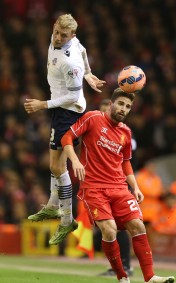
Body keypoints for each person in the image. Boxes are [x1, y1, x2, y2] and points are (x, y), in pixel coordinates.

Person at [61, 87, 175, 283]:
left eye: (128, 106)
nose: (124, 108)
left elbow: (125, 163)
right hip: (94, 187)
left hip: (119, 188)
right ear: (111, 104)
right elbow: (66, 138)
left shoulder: (126, 132)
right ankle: (122, 277)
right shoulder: (93, 118)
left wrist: (135, 187)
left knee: (138, 226)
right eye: (121, 104)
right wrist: (75, 161)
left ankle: (149, 278)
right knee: (110, 229)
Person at [24, 14, 105, 245]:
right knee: (55, 165)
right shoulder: (62, 39)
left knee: (57, 167)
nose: (58, 37)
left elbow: (70, 96)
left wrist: (42, 104)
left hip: (68, 110)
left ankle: (66, 218)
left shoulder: (71, 63)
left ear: (72, 35)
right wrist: (90, 74)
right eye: (57, 32)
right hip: (61, 109)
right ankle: (53, 206)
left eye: (63, 35)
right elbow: (84, 48)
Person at [97, 98, 133, 276]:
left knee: (119, 227)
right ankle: (118, 266)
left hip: (119, 183)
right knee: (109, 228)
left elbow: (127, 160)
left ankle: (125, 265)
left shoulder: (124, 132)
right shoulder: (96, 126)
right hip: (98, 184)